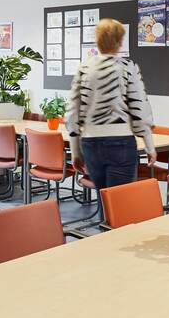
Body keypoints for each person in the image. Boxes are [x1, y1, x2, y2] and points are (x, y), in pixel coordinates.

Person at [66, 18, 155, 191]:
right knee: (119, 203)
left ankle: (104, 219)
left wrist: (75, 151)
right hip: (121, 142)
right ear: (120, 41)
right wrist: (149, 146)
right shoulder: (128, 67)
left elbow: (72, 113)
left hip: (90, 143)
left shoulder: (84, 68)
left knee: (104, 198)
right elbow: (140, 108)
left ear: (97, 40)